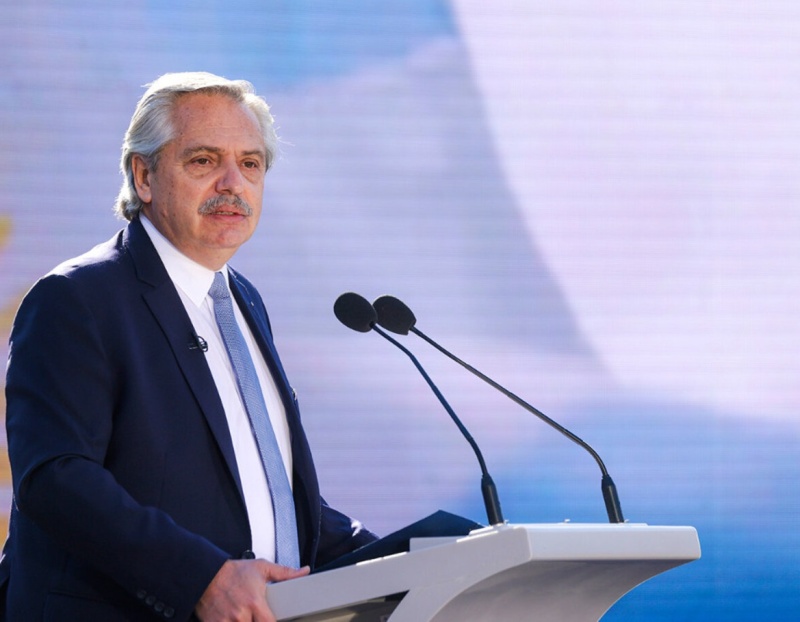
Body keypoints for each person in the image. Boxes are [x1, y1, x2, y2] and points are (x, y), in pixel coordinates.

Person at [0, 72, 377, 621]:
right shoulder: (76, 298)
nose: (233, 183)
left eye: (250, 163)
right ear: (144, 176)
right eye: (204, 160)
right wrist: (202, 578)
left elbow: (264, 494)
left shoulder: (244, 300)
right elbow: (56, 478)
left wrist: (417, 557)